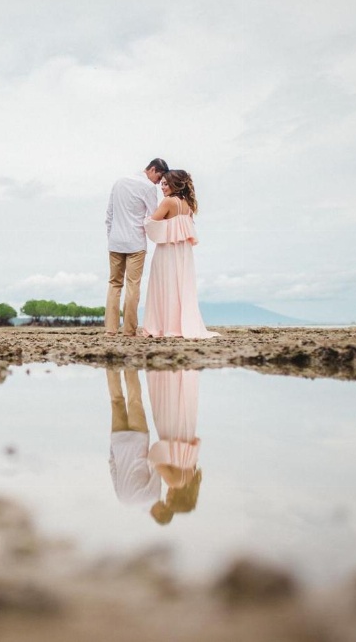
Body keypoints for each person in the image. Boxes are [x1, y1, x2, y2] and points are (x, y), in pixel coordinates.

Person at [141, 169, 219, 339]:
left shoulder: (169, 202)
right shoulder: (188, 205)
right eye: (162, 183)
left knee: (165, 285)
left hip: (167, 251)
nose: (162, 187)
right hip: (184, 252)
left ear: (175, 184)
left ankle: (163, 327)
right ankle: (179, 324)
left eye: (166, 184)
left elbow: (152, 223)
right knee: (181, 287)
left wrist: (143, 219)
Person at [104, 158, 169, 337]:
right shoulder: (148, 188)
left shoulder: (119, 182)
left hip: (115, 241)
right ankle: (129, 330)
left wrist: (112, 237)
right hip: (136, 243)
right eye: (159, 177)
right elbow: (152, 217)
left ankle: (110, 329)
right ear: (153, 169)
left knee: (114, 284)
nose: (158, 182)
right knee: (133, 285)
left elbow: (109, 214)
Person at [146, 369, 203, 525]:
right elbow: (156, 463)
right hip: (170, 433)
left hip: (186, 431)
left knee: (182, 405)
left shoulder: (192, 478)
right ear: (177, 498)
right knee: (166, 401)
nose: (167, 496)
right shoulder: (174, 482)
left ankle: (179, 375)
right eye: (169, 499)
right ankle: (165, 374)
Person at [106, 367, 160, 506]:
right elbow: (113, 468)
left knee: (134, 400)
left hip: (138, 442)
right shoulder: (122, 500)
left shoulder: (152, 497)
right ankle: (111, 364)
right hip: (119, 442)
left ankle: (130, 365)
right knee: (116, 400)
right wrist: (113, 446)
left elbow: (156, 467)